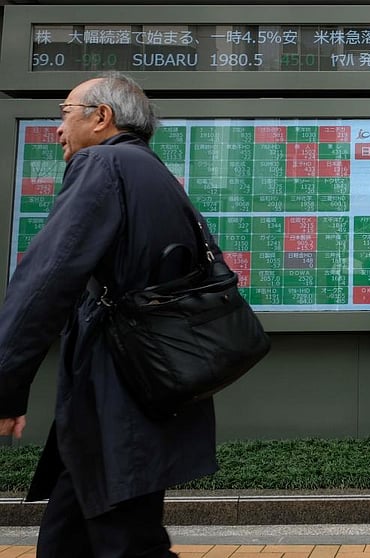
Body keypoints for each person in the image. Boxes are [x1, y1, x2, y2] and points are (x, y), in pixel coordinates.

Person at [0, 72, 218, 557]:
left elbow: (46, 279)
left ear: (102, 118)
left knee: (122, 543)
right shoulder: (151, 172)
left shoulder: (102, 164)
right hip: (143, 394)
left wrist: (6, 383)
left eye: (64, 113)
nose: (57, 129)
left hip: (117, 400)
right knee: (71, 537)